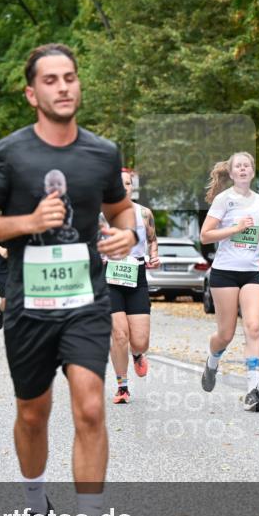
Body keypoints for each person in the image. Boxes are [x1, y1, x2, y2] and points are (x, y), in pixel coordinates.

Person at [0, 43, 136, 516]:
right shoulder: (10, 154)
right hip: (28, 306)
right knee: (33, 415)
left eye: (71, 78)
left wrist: (127, 234)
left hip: (86, 300)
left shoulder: (103, 153)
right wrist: (28, 221)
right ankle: (36, 508)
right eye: (51, 80)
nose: (63, 87)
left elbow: (121, 208)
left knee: (90, 408)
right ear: (31, 93)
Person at [197, 154, 259, 412]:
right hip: (225, 273)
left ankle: (252, 390)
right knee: (225, 335)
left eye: (247, 165)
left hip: (251, 272)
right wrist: (234, 228)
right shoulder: (224, 199)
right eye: (238, 166)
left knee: (253, 328)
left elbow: (253, 236)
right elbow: (205, 236)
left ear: (253, 171)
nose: (243, 169)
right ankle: (212, 361)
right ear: (231, 173)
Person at [107, 168, 160, 404]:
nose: (123, 188)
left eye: (127, 184)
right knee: (119, 334)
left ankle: (138, 354)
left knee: (139, 340)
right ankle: (122, 387)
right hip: (108, 275)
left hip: (135, 274)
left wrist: (154, 256)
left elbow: (152, 240)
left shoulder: (144, 213)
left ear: (132, 187)